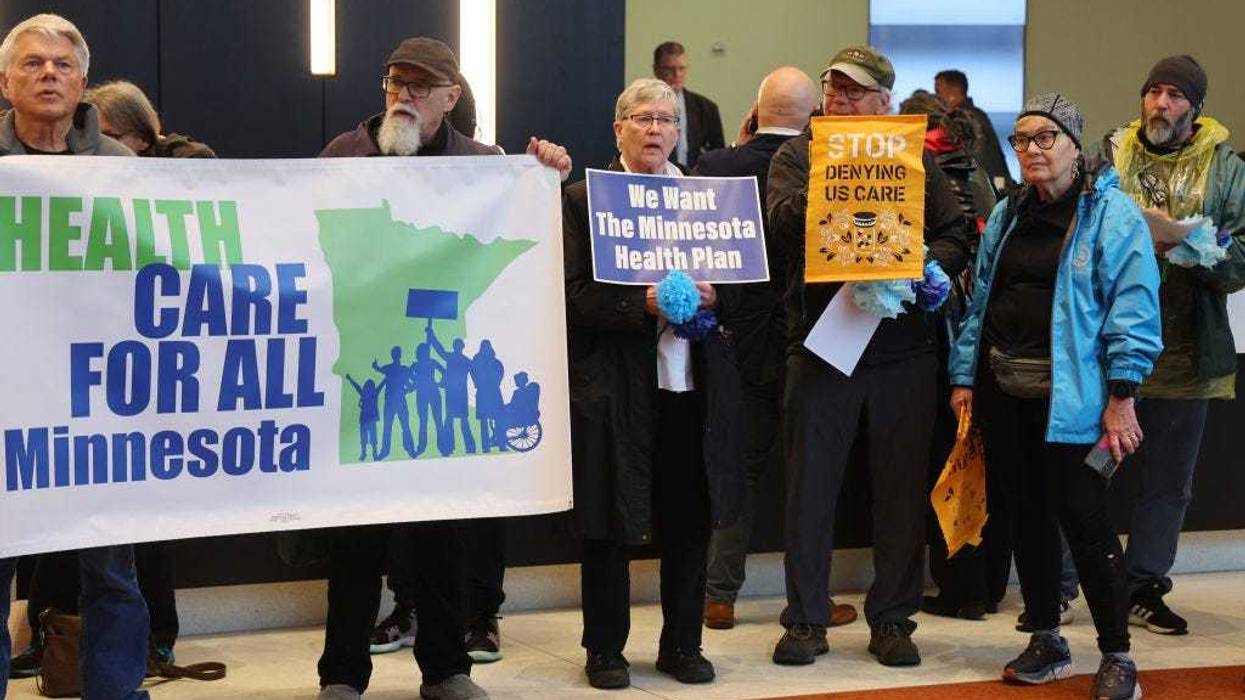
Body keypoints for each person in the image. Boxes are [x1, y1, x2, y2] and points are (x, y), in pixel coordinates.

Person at [316, 35, 570, 700]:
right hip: (363, 375)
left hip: (444, 374)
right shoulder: (342, 156)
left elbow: (519, 239)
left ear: (450, 99)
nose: (404, 93)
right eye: (395, 81)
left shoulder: (485, 168)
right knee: (355, 541)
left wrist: (546, 173)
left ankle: (446, 668)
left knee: (442, 536)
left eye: (421, 85)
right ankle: (341, 674)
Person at [949, 93, 1161, 700]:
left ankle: (1118, 654)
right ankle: (1046, 636)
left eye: (1046, 137)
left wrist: (1123, 395)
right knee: (1028, 522)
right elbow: (981, 301)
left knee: (1086, 522)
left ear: (1075, 145)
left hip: (1077, 401)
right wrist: (965, 378)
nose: (1033, 149)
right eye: (1021, 140)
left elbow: (1134, 312)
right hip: (1006, 393)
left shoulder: (1111, 215)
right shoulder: (1012, 212)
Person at [768, 46, 971, 668]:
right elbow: (776, 222)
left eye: (856, 92)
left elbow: (956, 232)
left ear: (885, 100)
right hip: (822, 345)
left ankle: (892, 619)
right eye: (834, 89)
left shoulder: (913, 158)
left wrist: (928, 269)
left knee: (900, 492)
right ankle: (805, 620)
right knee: (809, 492)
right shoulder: (798, 153)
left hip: (902, 350)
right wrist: (833, 184)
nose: (842, 99)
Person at [562, 77, 745, 689]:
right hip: (616, 389)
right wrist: (638, 304)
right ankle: (605, 651)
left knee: (689, 522)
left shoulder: (707, 201)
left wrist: (722, 294)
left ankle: (682, 645)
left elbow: (747, 292)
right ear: (618, 129)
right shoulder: (582, 200)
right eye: (642, 118)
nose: (656, 130)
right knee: (608, 525)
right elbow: (573, 298)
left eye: (667, 120)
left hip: (693, 390)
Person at [0, 13, 150, 700]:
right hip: (8, 402)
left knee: (113, 574)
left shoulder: (123, 169)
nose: (49, 74)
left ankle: (118, 692)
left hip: (101, 404)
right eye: (32, 63)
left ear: (84, 81)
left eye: (62, 64)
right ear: (6, 81)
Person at [693, 66, 858, 632]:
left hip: (737, 341)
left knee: (741, 466)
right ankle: (806, 599)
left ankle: (719, 593)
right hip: (819, 335)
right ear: (815, 117)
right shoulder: (829, 164)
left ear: (754, 112)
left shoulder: (715, 166)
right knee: (809, 476)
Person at [1097, 54, 1245, 636]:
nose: (1161, 104)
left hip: (1189, 343)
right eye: (1154, 91)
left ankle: (1144, 586)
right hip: (1112, 343)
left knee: (1168, 480)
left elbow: (1239, 260)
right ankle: (1065, 581)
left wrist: (1190, 244)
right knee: (1088, 467)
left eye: (1176, 96)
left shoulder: (1225, 167)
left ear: (1195, 106)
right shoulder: (1113, 152)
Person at [896, 89, 1006, 622]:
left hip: (940, 334)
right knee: (979, 465)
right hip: (982, 336)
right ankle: (985, 584)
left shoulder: (919, 172)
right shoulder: (979, 174)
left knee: (947, 462)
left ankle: (960, 586)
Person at [85, 79, 215, 157]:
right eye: (92, 137)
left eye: (109, 137)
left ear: (143, 139)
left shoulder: (190, 159)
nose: (98, 145)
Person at [935, 69, 1014, 190]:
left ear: (954, 90)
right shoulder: (977, 115)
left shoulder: (963, 119)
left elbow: (978, 159)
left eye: (938, 91)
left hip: (981, 190)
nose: (936, 97)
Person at [652, 41, 723, 169]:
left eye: (681, 68)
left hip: (696, 181)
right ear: (656, 70)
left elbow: (718, 155)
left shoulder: (707, 108)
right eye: (670, 69)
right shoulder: (644, 107)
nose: (677, 75)